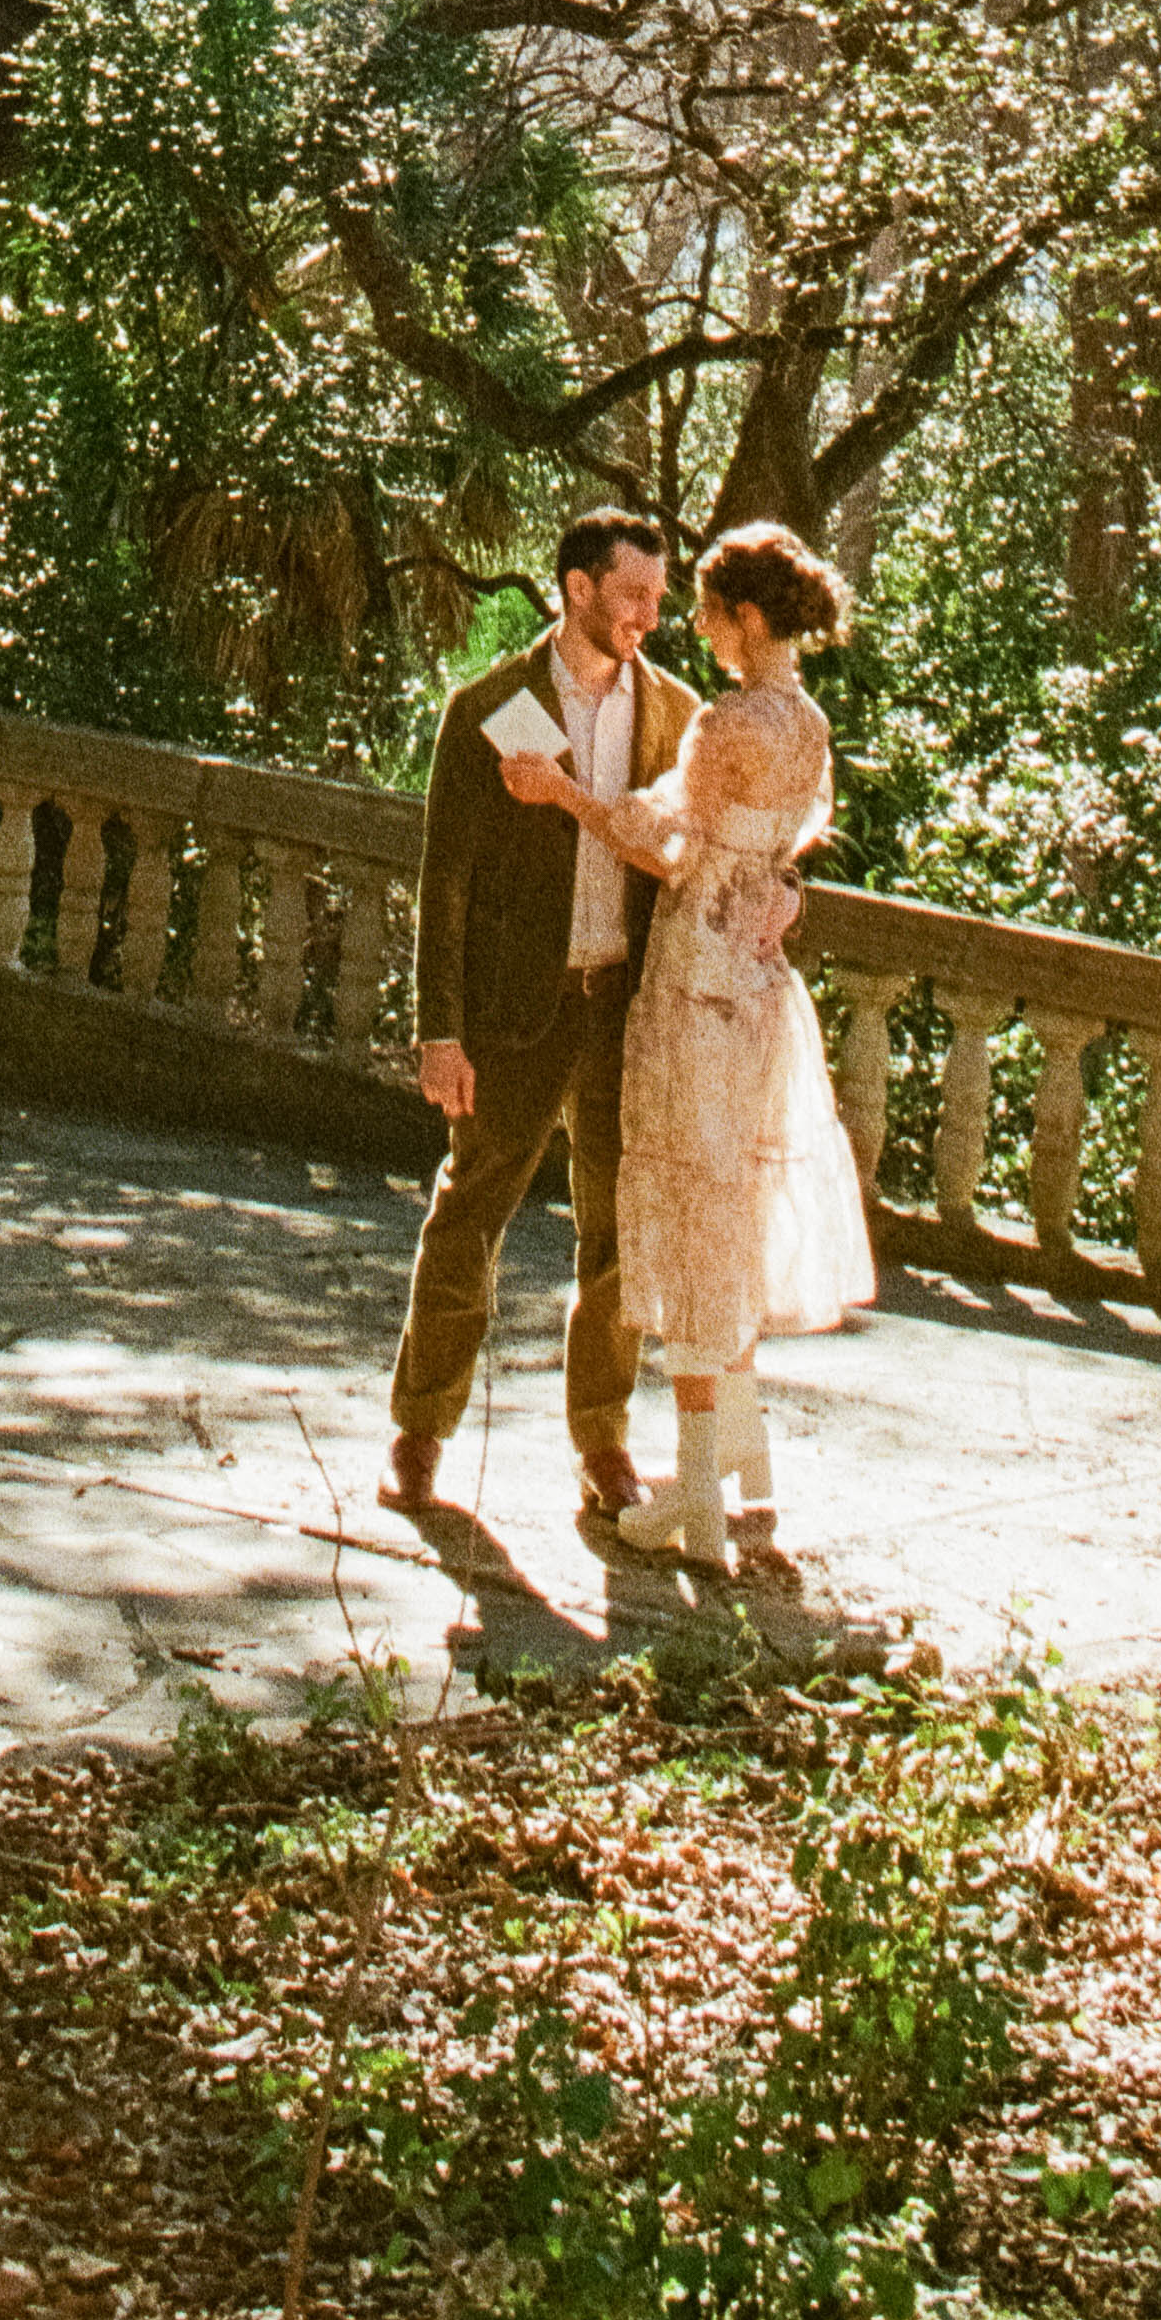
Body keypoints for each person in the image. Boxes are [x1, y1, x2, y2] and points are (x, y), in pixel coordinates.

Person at [493, 516, 874, 1573]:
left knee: (692, 1211)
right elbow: (781, 844)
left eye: (704, 611)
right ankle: (733, 1469)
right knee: (731, 1204)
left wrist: (563, 792)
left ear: (744, 618)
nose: (694, 629)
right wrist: (777, 891)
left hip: (696, 983)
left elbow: (668, 846)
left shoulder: (724, 724)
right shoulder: (804, 722)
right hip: (755, 985)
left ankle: (697, 1502)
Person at [386, 504, 693, 1528]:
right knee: (469, 1212)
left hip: (624, 1013)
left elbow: (696, 862)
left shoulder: (677, 718)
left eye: (658, 595)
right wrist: (440, 1032)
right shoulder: (490, 705)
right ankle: (419, 1432)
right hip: (514, 1014)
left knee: (615, 1236)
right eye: (634, 594)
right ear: (576, 589)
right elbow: (446, 884)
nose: (652, 613)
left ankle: (602, 1442)